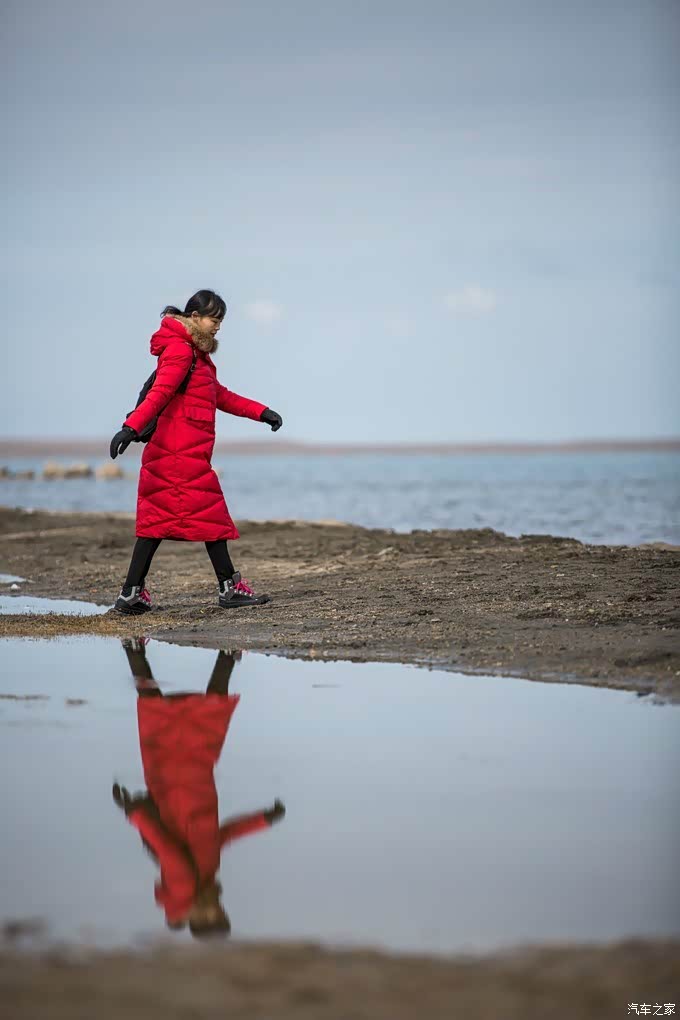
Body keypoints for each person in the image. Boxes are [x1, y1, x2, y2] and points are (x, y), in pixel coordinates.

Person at [109, 289, 283, 613]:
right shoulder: (180, 351)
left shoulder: (196, 356)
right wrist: (130, 428)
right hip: (177, 454)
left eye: (221, 320)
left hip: (182, 453)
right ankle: (228, 588)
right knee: (207, 516)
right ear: (194, 317)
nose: (218, 326)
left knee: (158, 523)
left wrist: (262, 412)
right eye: (213, 319)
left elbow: (220, 395)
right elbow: (160, 393)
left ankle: (131, 593)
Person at [113, 639, 286, 937]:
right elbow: (223, 837)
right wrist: (262, 820)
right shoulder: (204, 879)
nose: (217, 906)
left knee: (172, 708)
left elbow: (166, 848)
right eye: (221, 911)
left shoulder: (183, 886)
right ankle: (136, 648)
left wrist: (135, 813)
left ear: (196, 916)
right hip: (192, 776)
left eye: (212, 914)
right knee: (199, 711)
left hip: (176, 782)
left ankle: (219, 653)